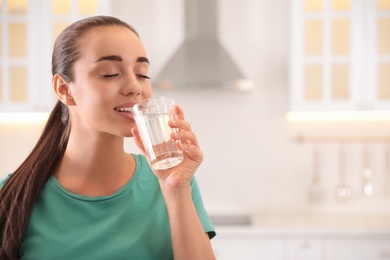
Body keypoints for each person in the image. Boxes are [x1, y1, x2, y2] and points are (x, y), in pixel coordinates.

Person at [0, 15, 216, 259]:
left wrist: (176, 190)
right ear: (64, 89)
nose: (135, 86)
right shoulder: (12, 195)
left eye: (142, 74)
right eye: (110, 73)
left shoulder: (173, 180)